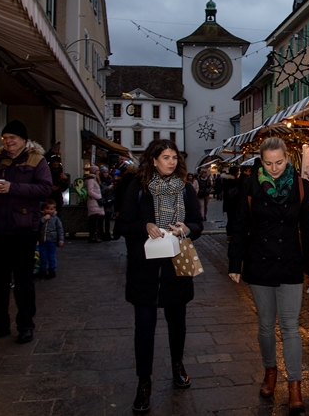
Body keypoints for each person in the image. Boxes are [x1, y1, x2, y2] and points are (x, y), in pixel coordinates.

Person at [228, 137, 309, 414]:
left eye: (279, 162)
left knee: (291, 327)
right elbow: (240, 224)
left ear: (287, 159)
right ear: (261, 161)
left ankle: (295, 385)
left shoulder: (302, 187)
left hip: (291, 263)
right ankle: (270, 371)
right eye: (268, 163)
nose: (274, 168)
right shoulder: (250, 185)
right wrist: (235, 262)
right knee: (266, 326)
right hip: (260, 263)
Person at [119, 139, 203, 414]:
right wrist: (146, 226)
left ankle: (177, 364)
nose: (171, 162)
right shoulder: (138, 189)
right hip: (144, 271)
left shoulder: (186, 189)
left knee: (177, 323)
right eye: (165, 157)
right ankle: (144, 382)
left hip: (175, 268)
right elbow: (124, 224)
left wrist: (184, 228)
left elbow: (197, 224)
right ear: (153, 161)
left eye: (174, 157)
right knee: (144, 328)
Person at [0, 120, 52, 344]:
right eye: (5, 138)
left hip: (23, 229)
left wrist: (12, 187)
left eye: (13, 138)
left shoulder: (37, 160)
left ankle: (25, 325)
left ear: (24, 140)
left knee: (23, 280)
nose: (8, 142)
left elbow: (45, 188)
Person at [39, 199, 64, 279]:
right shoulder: (42, 217)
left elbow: (60, 230)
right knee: (43, 256)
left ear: (54, 210)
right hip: (43, 240)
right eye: (47, 209)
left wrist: (60, 240)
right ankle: (43, 270)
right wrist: (43, 219)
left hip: (52, 241)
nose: (49, 211)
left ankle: (52, 270)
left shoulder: (56, 219)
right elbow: (38, 225)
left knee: (51, 256)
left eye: (51, 209)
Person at [113, 163, 139, 240]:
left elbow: (118, 195)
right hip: (136, 208)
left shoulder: (123, 180)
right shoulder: (138, 181)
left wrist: (117, 209)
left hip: (124, 207)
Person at [85, 165, 105, 243]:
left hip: (95, 202)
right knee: (94, 221)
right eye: (97, 170)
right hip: (94, 202)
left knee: (96, 220)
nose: (99, 172)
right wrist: (98, 197)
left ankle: (96, 235)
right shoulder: (91, 180)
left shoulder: (93, 179)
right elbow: (90, 191)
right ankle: (93, 236)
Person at [221, 166, 239, 238]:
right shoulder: (232, 181)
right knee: (232, 219)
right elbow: (234, 193)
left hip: (228, 203)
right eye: (237, 171)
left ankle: (229, 234)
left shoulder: (226, 180)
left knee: (230, 219)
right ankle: (231, 234)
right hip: (233, 203)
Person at [99, 166, 116, 241]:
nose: (106, 174)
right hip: (105, 201)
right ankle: (103, 234)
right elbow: (100, 192)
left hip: (110, 201)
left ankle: (107, 234)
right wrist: (108, 188)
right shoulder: (100, 182)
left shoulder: (110, 180)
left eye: (106, 172)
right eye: (104, 172)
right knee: (104, 219)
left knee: (107, 219)